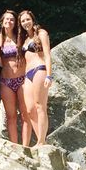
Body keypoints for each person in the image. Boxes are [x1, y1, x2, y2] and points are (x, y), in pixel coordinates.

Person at [18, 9, 53, 146]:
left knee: (40, 106)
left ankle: (40, 141)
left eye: (27, 19)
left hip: (40, 70)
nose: (25, 22)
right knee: (29, 109)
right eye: (23, 21)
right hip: (28, 74)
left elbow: (47, 55)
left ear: (32, 20)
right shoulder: (25, 39)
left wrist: (49, 75)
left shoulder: (41, 33)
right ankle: (41, 139)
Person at [0, 8, 28, 144]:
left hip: (22, 79)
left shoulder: (21, 37)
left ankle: (26, 146)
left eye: (12, 19)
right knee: (11, 116)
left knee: (26, 114)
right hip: (6, 81)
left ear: (15, 22)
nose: (9, 21)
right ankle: (15, 145)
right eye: (7, 19)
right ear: (2, 21)